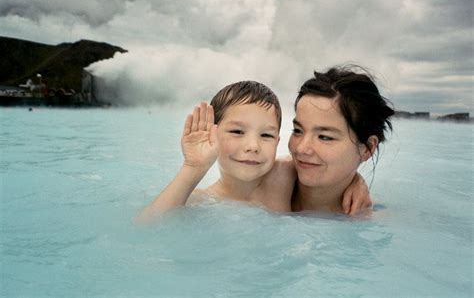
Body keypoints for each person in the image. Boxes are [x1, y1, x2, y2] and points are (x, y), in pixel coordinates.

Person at [135, 80, 370, 224]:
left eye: (266, 135)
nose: (253, 146)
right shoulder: (204, 200)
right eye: (237, 132)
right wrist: (193, 168)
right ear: (212, 134)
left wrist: (356, 179)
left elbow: (330, 167)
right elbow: (150, 225)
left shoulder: (282, 176)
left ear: (277, 141)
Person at [289, 65, 394, 213]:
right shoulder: (262, 188)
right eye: (297, 131)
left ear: (367, 148)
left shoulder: (371, 223)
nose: (301, 149)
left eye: (325, 137)